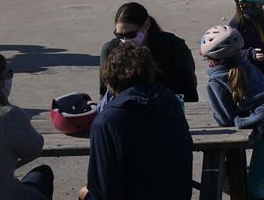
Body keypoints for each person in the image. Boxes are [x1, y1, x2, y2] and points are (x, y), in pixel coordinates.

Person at [77, 44, 192, 200]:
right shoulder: (170, 101)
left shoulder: (106, 122)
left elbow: (103, 192)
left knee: (83, 191)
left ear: (109, 81)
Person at [201, 25, 264, 199]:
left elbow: (225, 120)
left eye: (208, 58)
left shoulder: (216, 82)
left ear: (215, 59)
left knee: (255, 183)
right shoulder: (248, 65)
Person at [0, 50, 54, 199]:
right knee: (43, 174)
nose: (10, 77)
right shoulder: (7, 115)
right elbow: (34, 149)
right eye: (8, 73)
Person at [99, 2, 199, 104]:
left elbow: (189, 86)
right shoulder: (110, 50)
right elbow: (104, 93)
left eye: (131, 35)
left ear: (146, 25)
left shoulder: (173, 47)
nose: (125, 40)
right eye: (119, 35)